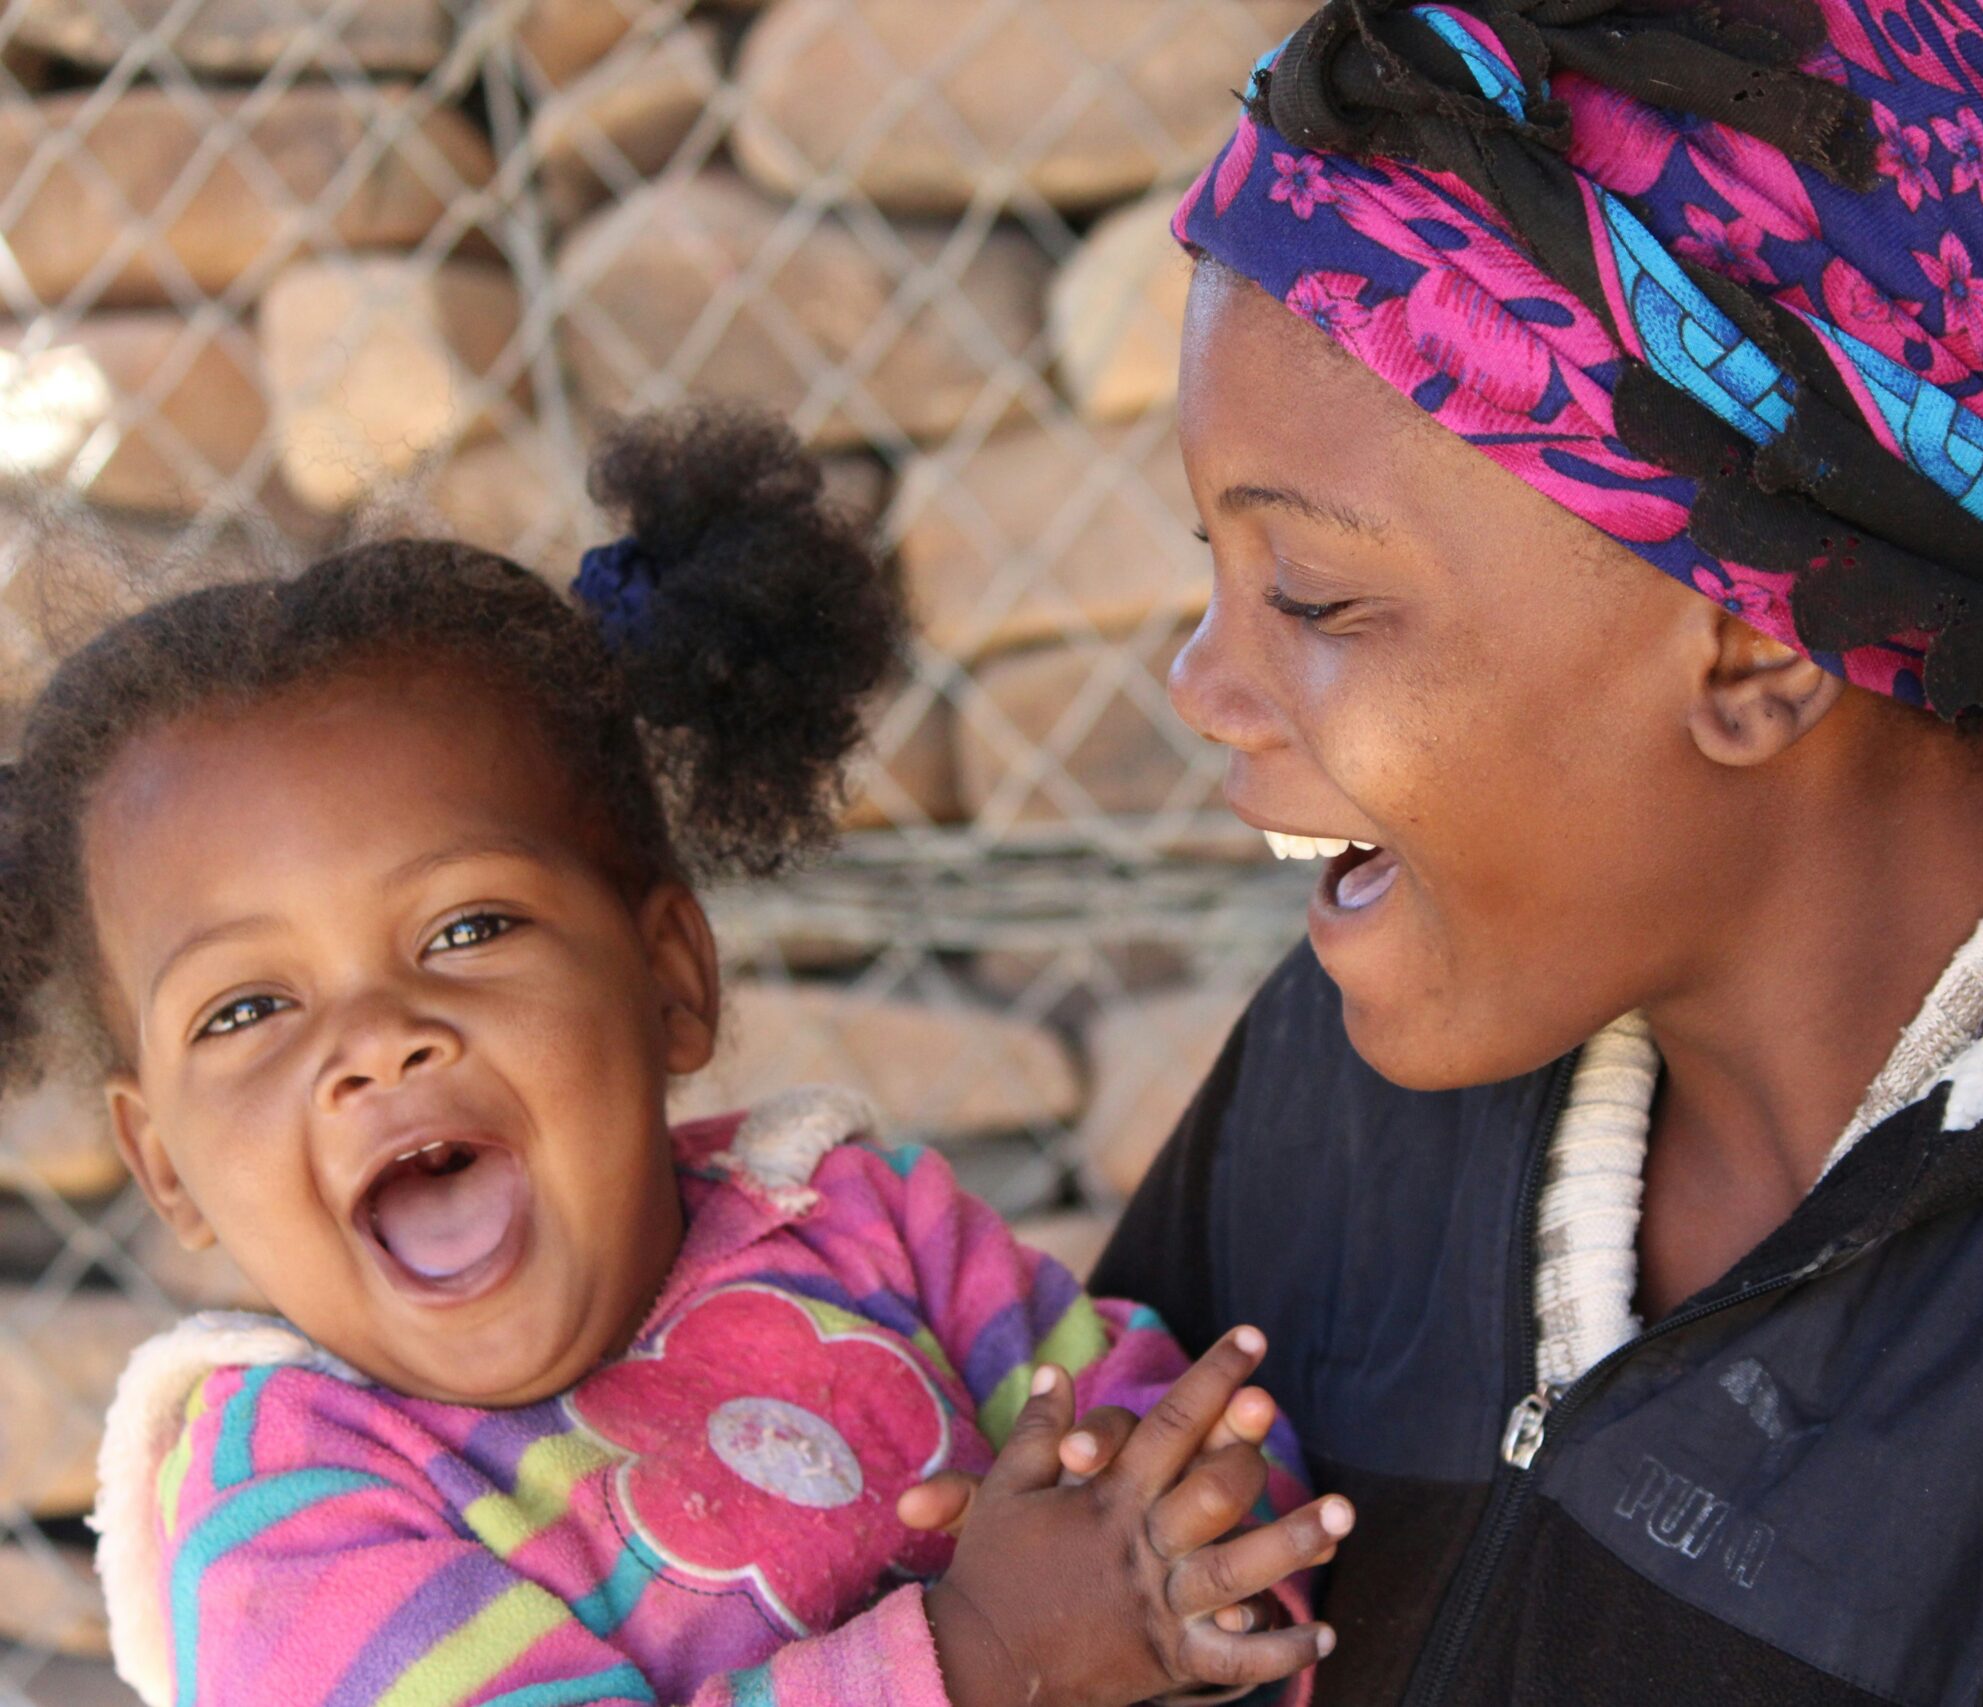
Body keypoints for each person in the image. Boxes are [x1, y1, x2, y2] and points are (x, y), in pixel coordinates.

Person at [1088, 1, 1983, 1702]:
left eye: (1316, 597)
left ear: (1764, 649)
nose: (1201, 684)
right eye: (1211, 563)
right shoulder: (1341, 1097)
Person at [41, 407, 1352, 1707]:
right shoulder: (284, 1504)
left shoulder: (864, 1229)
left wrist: (1174, 1558)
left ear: (670, 978)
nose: (377, 1040)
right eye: (244, 1011)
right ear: (164, 1166)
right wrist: (987, 1655)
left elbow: (1178, 1449)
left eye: (467, 927)